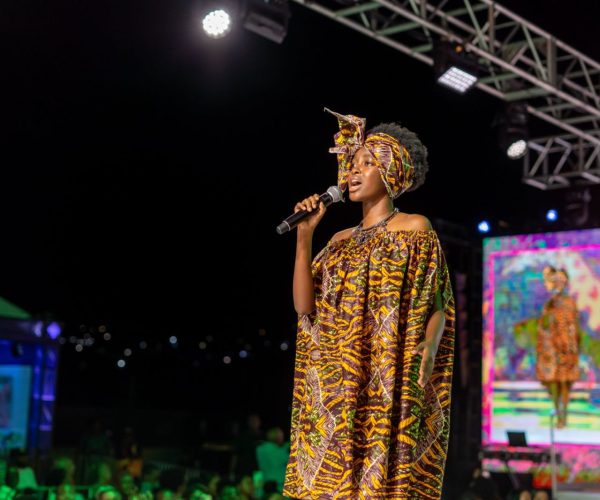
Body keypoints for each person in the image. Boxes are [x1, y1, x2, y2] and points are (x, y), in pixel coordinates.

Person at [282, 109, 455, 499]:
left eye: (367, 163)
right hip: (335, 380)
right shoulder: (338, 241)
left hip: (386, 373)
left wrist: (428, 348)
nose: (353, 171)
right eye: (353, 163)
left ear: (392, 172)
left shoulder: (414, 228)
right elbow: (303, 307)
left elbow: (438, 304)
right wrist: (305, 237)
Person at [536, 266, 580, 428]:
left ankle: (563, 416)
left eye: (562, 279)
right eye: (556, 279)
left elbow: (573, 325)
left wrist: (571, 344)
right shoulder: (550, 304)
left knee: (565, 383)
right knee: (554, 383)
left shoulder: (569, 302)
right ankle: (559, 413)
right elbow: (543, 325)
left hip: (566, 347)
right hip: (552, 349)